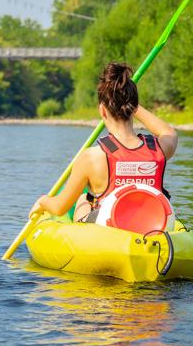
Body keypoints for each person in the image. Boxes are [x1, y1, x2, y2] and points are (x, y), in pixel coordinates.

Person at [28, 61, 178, 224]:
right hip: (152, 228)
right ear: (132, 107)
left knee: (84, 198)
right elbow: (168, 131)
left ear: (102, 110)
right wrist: (132, 104)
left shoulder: (91, 157)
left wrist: (42, 201)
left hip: (109, 232)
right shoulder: (159, 149)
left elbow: (59, 208)